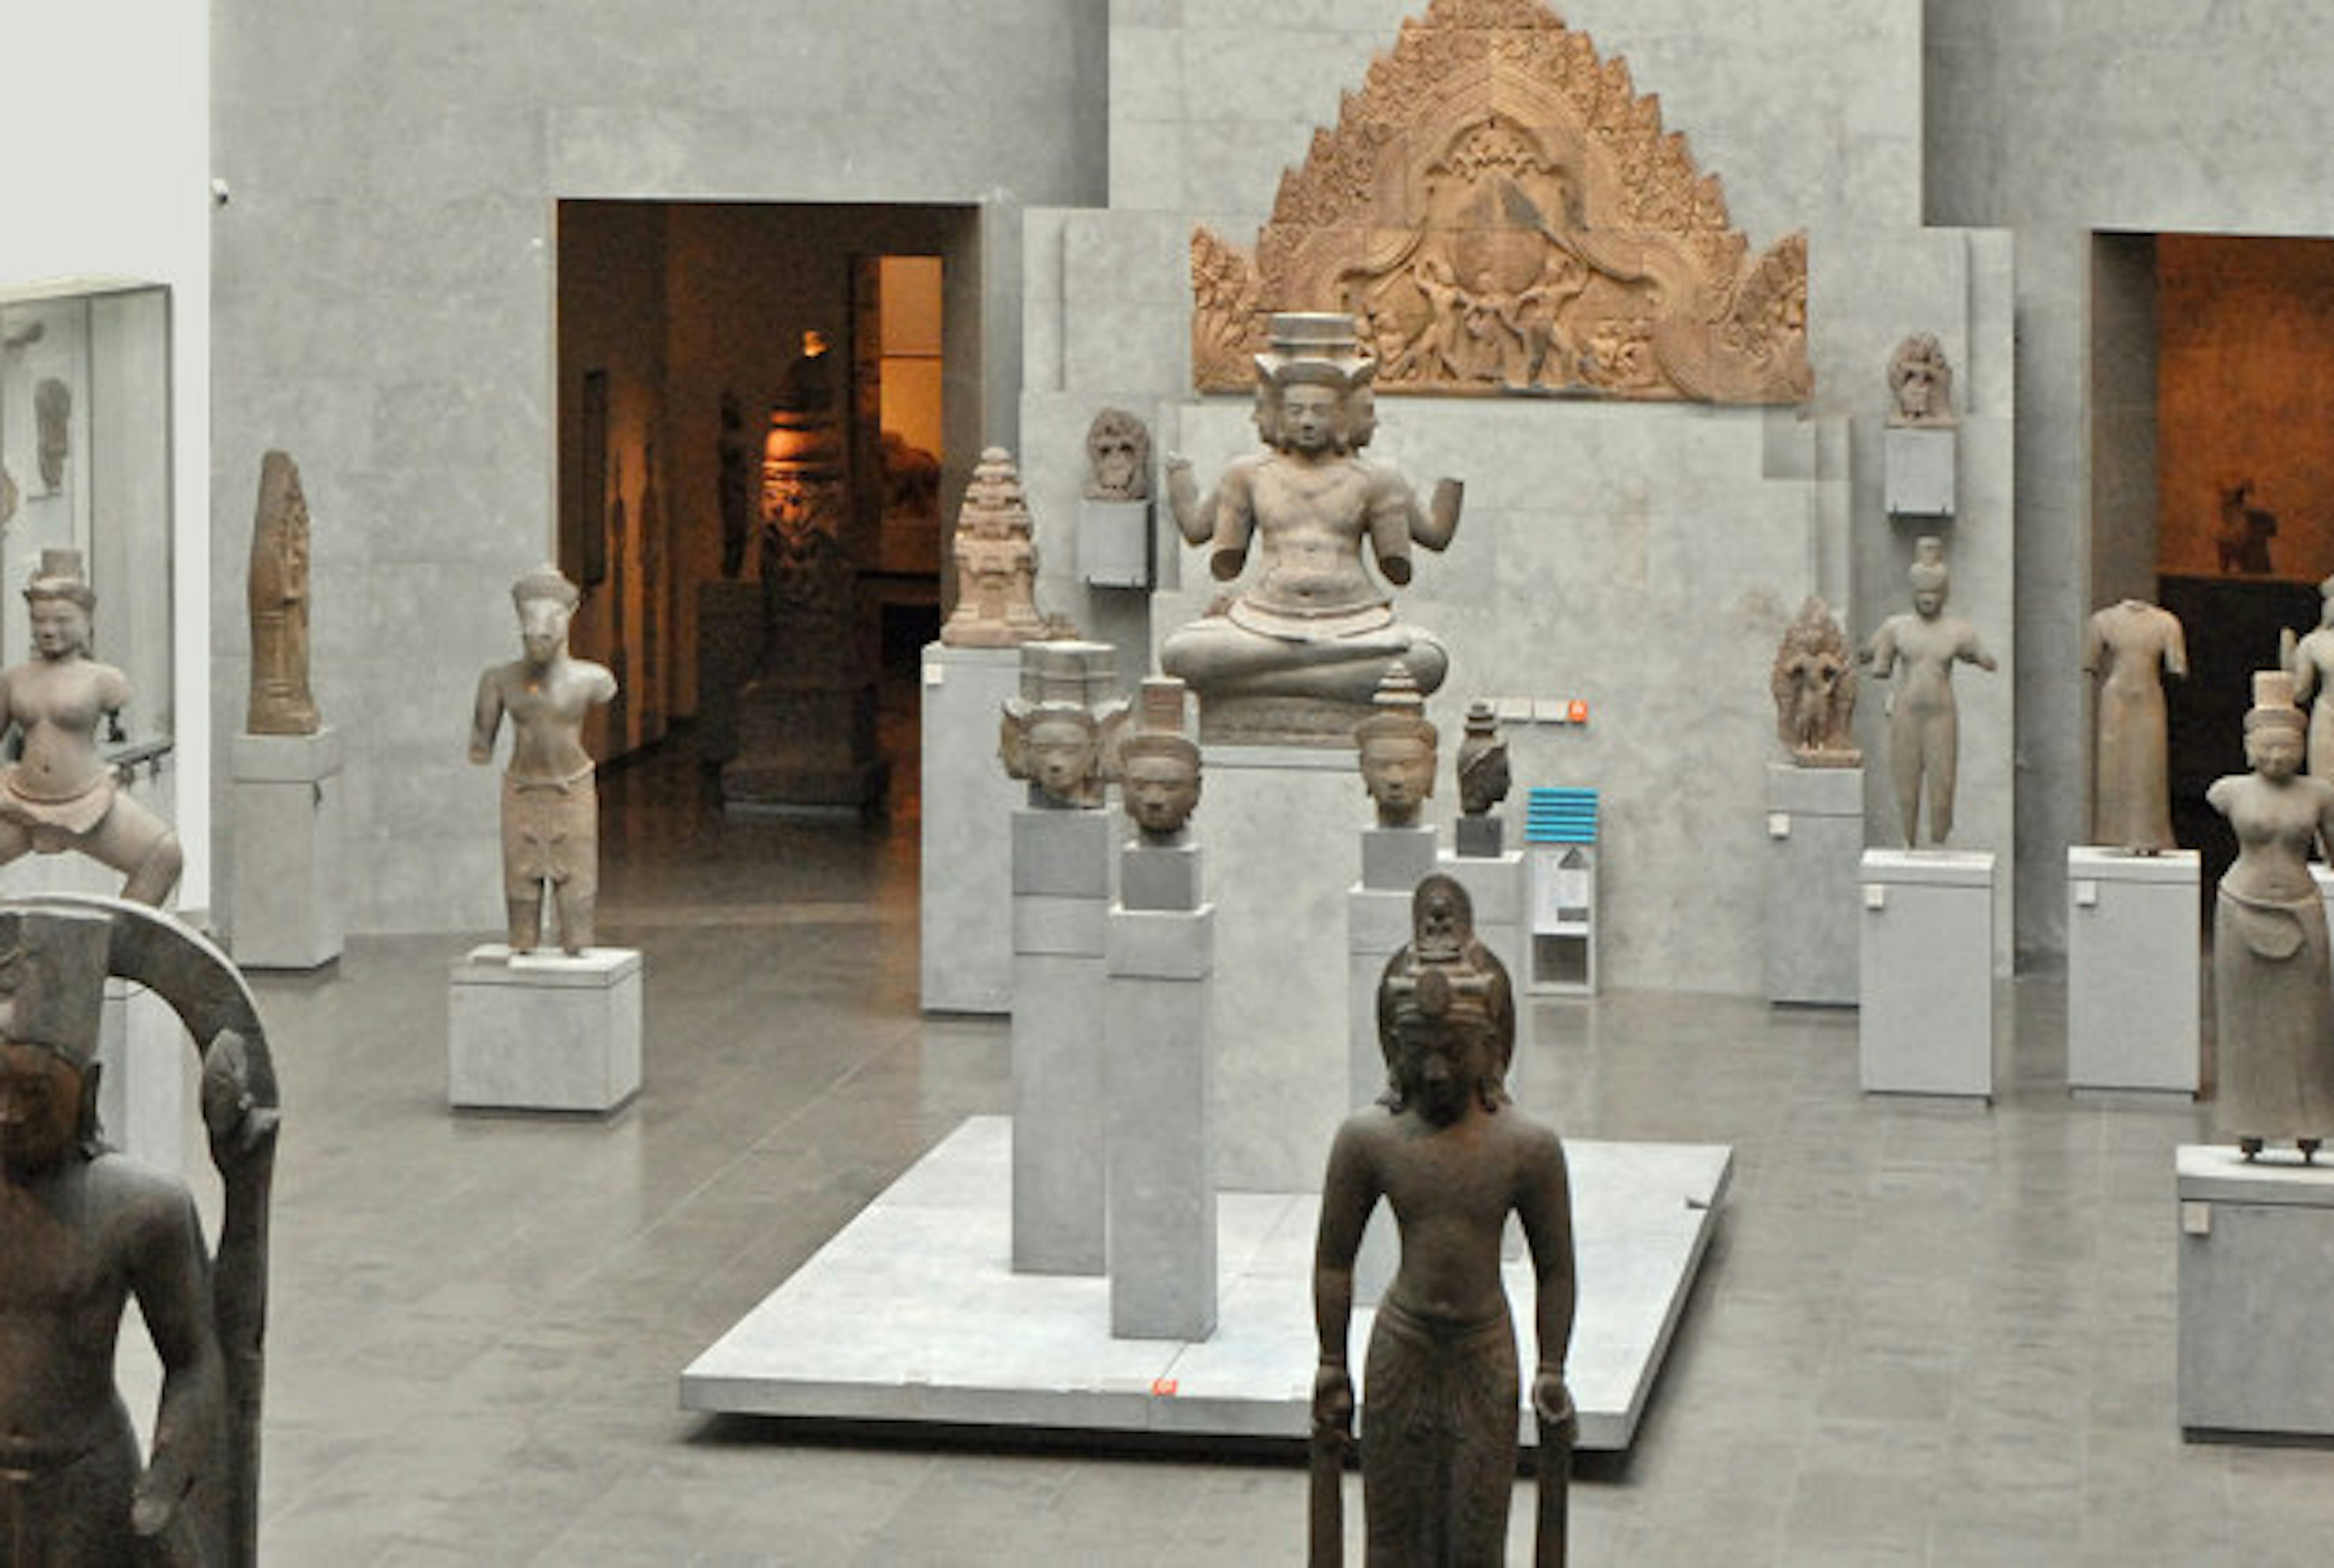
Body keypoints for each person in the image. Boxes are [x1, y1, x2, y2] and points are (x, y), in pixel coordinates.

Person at [0, 898, 278, 1567]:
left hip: (87, 1483)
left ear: (87, 1092)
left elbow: (194, 1355)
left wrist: (169, 1470)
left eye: (35, 1095)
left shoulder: (139, 1207)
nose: (8, 1114)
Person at [1312, 875, 1575, 1567]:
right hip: (1402, 1348)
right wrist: (1332, 1360)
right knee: (1393, 1543)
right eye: (1418, 1052)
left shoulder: (1527, 1148)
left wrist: (1551, 1367)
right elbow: (1334, 1260)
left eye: (1454, 1053)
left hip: (1485, 1353)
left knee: (1476, 1541)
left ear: (1491, 1050)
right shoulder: (1368, 1140)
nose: (1434, 1072)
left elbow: (1557, 1269)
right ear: (1392, 1050)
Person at [1162, 314, 1462, 741]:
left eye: (1320, 410)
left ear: (1344, 414)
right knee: (1182, 653)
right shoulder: (1247, 474)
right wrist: (1179, 480)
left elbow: (1431, 537)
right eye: (1296, 409)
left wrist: (1452, 488)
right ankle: (1322, 678)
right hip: (1262, 620)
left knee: (1426, 659)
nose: (1307, 421)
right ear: (1276, 412)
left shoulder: (1376, 478)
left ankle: (1278, 680)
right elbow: (1201, 533)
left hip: (1357, 624)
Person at [0, 552, 184, 905]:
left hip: (88, 801)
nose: (49, 630)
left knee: (163, 854)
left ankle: (117, 953)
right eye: (39, 621)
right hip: (21, 802)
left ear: (85, 622)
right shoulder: (15, 680)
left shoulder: (105, 680)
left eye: (61, 620)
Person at [2208, 672, 2334, 1161]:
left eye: (2288, 747)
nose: (2278, 757)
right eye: (2268, 747)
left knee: (2306, 1027)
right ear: (2248, 748)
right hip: (2242, 908)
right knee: (2248, 1028)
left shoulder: (2318, 795)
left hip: (2302, 911)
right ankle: (2250, 1122)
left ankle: (2308, 1123)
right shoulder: (2230, 791)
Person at [469, 566, 618, 955]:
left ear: (567, 619)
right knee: (520, 888)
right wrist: (480, 746)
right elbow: (480, 744)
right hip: (522, 789)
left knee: (578, 886)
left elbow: (605, 690)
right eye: (529, 617)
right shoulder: (499, 681)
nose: (538, 629)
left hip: (573, 787)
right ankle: (523, 940)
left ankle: (577, 939)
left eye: (550, 615)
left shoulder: (593, 680)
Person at [1861, 538, 1995, 846]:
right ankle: (1909, 842)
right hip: (1907, 713)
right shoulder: (1896, 627)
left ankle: (1938, 844)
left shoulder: (1957, 631)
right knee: (1906, 788)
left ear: (1945, 594)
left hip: (1941, 714)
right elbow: (1869, 655)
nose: (1927, 599)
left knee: (1942, 788)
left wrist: (1984, 659)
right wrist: (1861, 654)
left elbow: (1982, 655)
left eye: (1934, 593)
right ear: (1912, 592)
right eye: (1922, 593)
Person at [2084, 598, 2186, 851]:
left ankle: (2151, 834)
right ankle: (2112, 834)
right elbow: (2089, 661)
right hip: (2117, 699)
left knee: (2149, 767)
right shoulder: (2102, 621)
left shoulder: (2166, 623)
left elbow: (2177, 665)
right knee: (2113, 766)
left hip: (2148, 697)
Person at [2284, 576, 2334, 783]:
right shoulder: (2314, 643)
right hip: (2328, 716)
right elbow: (2300, 692)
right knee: (2326, 784)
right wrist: (2288, 658)